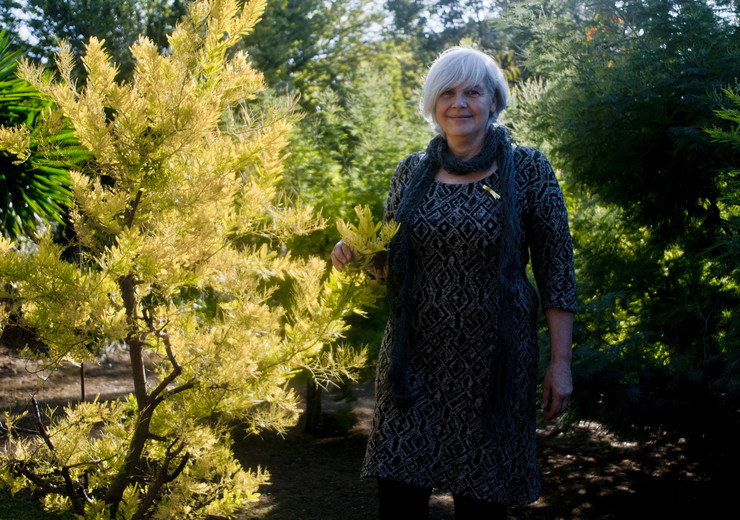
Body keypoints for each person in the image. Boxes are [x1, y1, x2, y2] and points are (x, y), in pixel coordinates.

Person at [331, 46, 576, 520]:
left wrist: (560, 364)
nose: (459, 103)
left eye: (472, 92)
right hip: (411, 366)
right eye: (447, 92)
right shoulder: (410, 172)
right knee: (398, 501)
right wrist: (358, 253)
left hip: (494, 371)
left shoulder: (527, 170)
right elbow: (391, 262)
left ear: (493, 101)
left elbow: (557, 274)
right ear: (432, 102)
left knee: (481, 508)